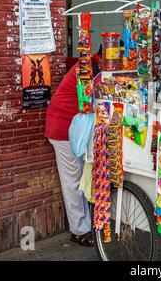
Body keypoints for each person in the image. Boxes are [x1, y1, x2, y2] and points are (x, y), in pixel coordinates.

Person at [45, 51, 101, 247]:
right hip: (63, 129)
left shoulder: (92, 67)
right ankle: (79, 230)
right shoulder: (89, 70)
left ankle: (87, 224)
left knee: (81, 178)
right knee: (73, 181)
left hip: (77, 130)